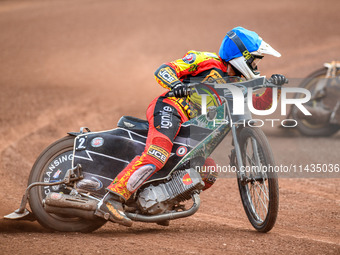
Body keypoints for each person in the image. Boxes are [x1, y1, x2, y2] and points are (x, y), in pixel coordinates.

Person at [97, 26, 287, 226]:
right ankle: (112, 198)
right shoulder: (206, 60)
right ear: (242, 56)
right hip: (170, 110)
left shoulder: (239, 81)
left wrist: (275, 88)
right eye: (254, 60)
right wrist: (176, 85)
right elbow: (164, 70)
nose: (256, 66)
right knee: (157, 154)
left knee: (207, 172)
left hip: (191, 127)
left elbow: (260, 104)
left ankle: (161, 201)